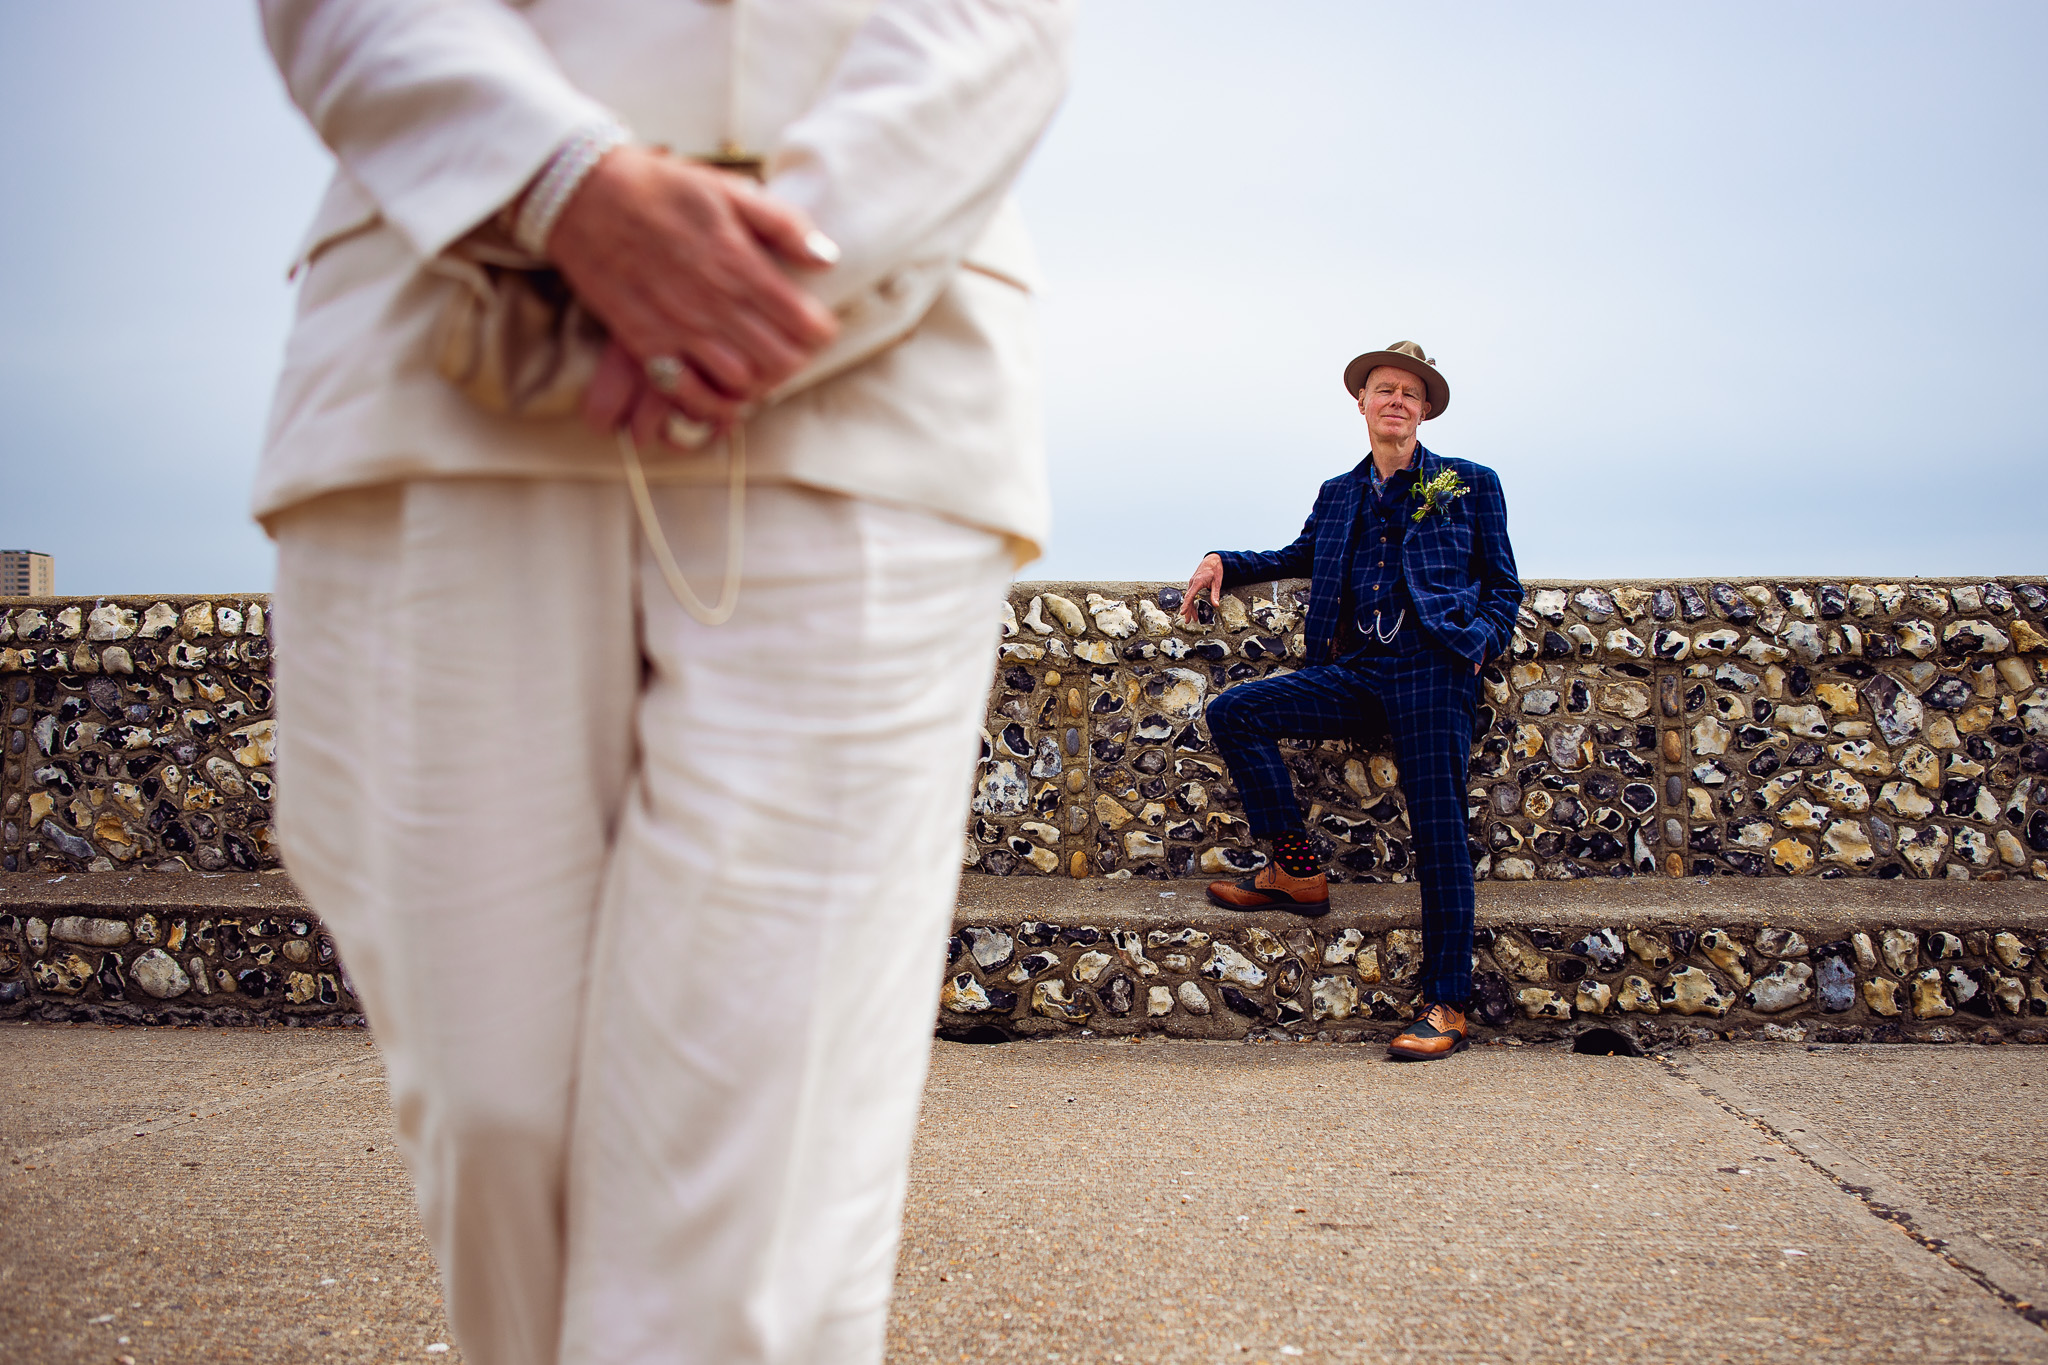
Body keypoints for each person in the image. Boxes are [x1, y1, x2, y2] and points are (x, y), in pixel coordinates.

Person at [254, 2, 1072, 1362]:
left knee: (756, 1184)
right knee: (496, 1111)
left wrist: (765, 263)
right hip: (442, 355)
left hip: (871, 390)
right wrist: (561, 182)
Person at [1178, 342, 1521, 1062]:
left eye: (1411, 393)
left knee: (1438, 830)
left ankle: (1447, 1002)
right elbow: (1295, 556)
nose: (1397, 400)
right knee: (1237, 711)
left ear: (1424, 410)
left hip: (1433, 669)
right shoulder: (1339, 494)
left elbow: (1504, 586)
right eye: (1384, 389)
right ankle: (1297, 866)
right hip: (1358, 670)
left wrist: (1479, 641)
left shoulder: (1469, 483)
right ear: (1361, 402)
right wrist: (1223, 561)